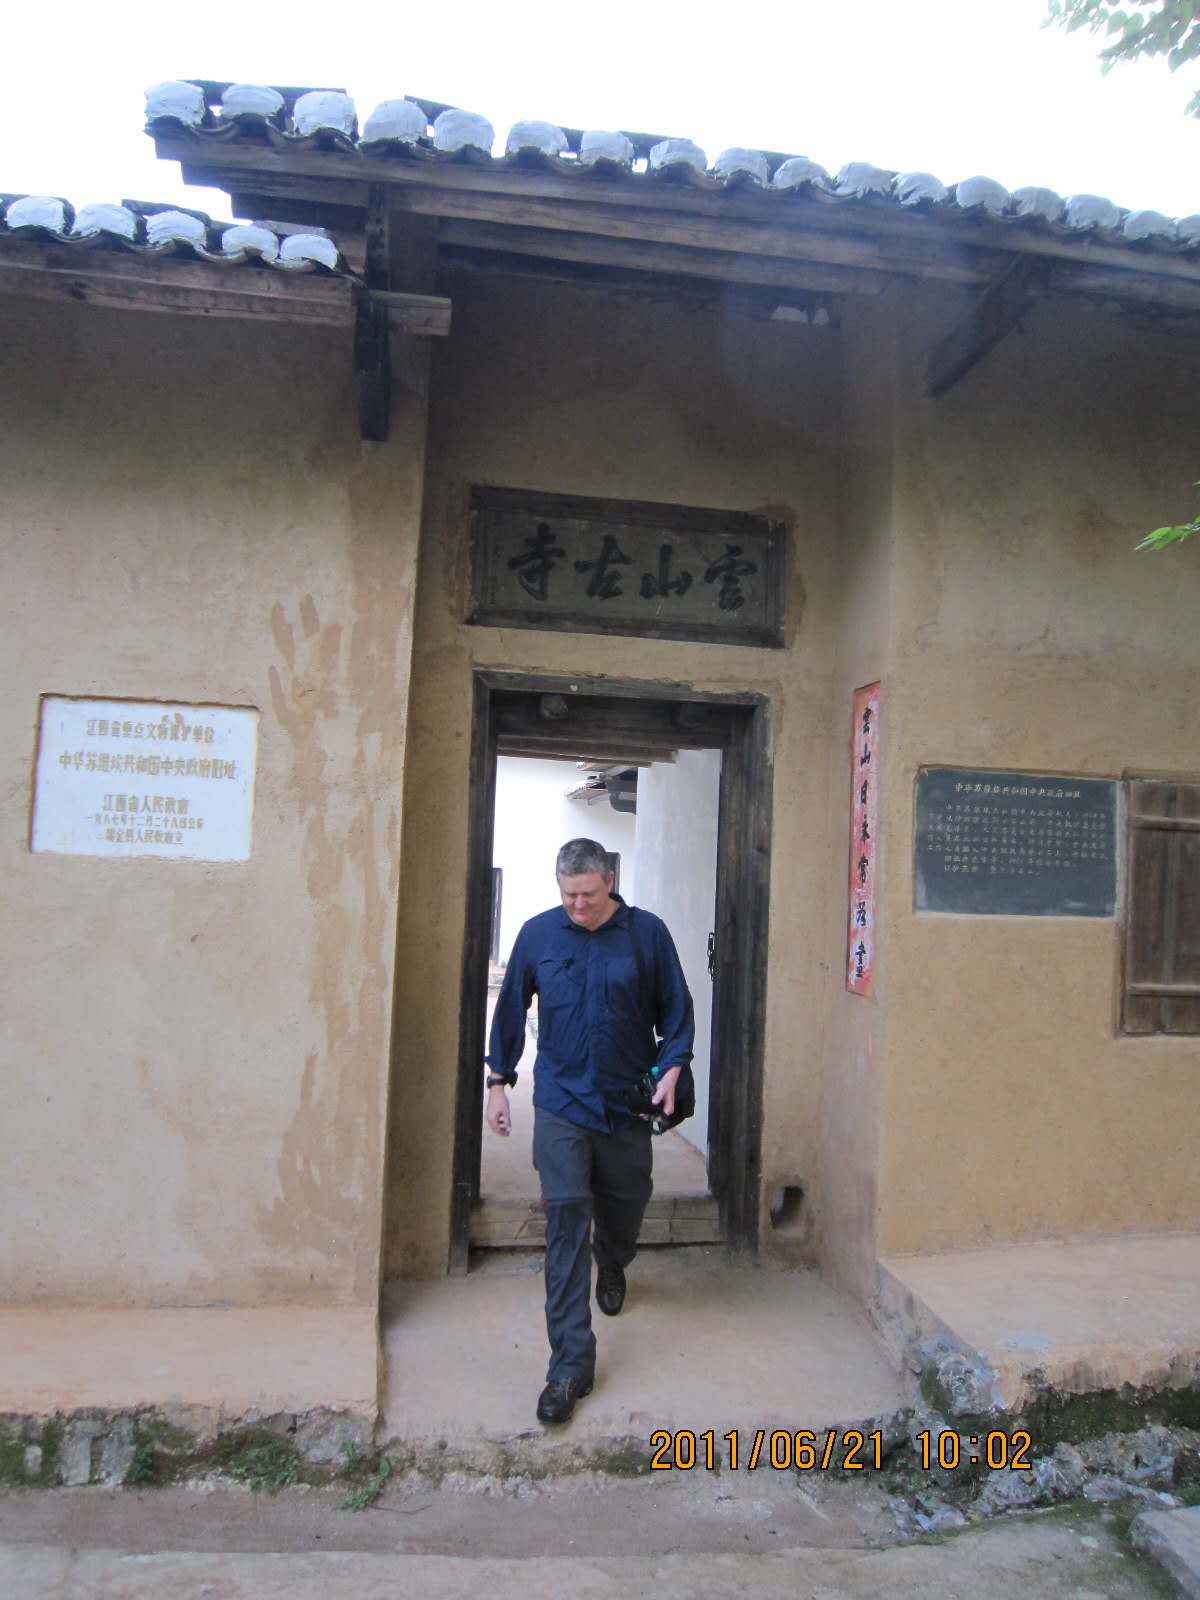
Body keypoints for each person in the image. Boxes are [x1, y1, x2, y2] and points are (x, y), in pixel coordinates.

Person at [485, 837, 695, 1425]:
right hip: (561, 1102)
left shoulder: (647, 934)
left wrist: (673, 1066)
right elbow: (509, 1010)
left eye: (588, 895)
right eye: (568, 895)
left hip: (625, 1104)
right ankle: (569, 1366)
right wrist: (498, 1082)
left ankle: (616, 1258)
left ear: (610, 882)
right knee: (565, 1221)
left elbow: (677, 1010)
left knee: (626, 1203)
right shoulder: (538, 935)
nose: (578, 906)